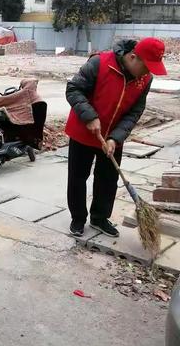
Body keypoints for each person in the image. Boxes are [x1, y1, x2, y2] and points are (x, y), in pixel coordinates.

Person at [65, 38, 167, 238]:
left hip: (112, 137)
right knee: (78, 177)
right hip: (84, 131)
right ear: (132, 57)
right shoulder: (100, 63)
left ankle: (100, 218)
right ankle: (78, 218)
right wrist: (90, 116)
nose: (148, 73)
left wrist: (115, 138)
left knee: (108, 179)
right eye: (146, 67)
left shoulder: (145, 79)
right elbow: (73, 89)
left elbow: (135, 112)